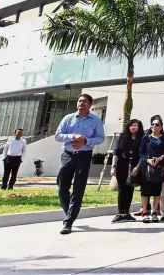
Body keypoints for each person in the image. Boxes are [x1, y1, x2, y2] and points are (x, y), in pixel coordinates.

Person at [54, 94, 105, 234]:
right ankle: (69, 212)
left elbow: (100, 138)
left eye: (84, 101)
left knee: (78, 188)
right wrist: (73, 137)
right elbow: (57, 136)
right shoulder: (68, 118)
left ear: (90, 105)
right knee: (62, 186)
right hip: (68, 155)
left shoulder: (96, 120)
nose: (81, 103)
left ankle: (68, 221)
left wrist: (86, 141)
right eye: (80, 100)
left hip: (84, 156)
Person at [111, 119, 143, 223]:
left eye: (135, 125)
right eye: (131, 125)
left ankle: (127, 213)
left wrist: (137, 168)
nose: (133, 127)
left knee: (130, 190)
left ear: (139, 127)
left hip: (134, 167)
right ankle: (120, 213)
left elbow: (143, 155)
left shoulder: (142, 139)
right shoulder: (123, 137)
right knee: (122, 189)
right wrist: (113, 166)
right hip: (122, 166)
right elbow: (116, 153)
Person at [138, 116, 164, 223]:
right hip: (147, 166)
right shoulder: (146, 138)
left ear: (161, 127)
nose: (154, 126)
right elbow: (141, 152)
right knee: (145, 191)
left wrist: (160, 159)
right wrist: (148, 160)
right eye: (153, 124)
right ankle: (145, 213)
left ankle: (154, 212)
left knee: (157, 191)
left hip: (159, 167)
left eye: (157, 125)